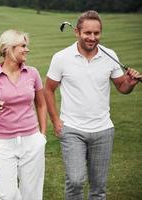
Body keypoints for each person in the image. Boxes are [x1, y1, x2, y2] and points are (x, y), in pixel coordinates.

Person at [44, 10, 141, 200]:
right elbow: (48, 89)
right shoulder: (61, 58)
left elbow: (122, 87)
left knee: (98, 188)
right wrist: (55, 121)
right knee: (75, 180)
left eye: (96, 33)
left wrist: (130, 83)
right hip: (72, 129)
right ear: (77, 32)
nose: (92, 37)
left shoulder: (109, 55)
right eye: (87, 33)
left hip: (103, 130)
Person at [0, 29, 47, 200]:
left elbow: (41, 104)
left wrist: (42, 136)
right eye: (23, 46)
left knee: (32, 194)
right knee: (8, 195)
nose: (27, 49)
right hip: (3, 143)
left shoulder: (32, 73)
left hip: (32, 140)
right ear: (9, 49)